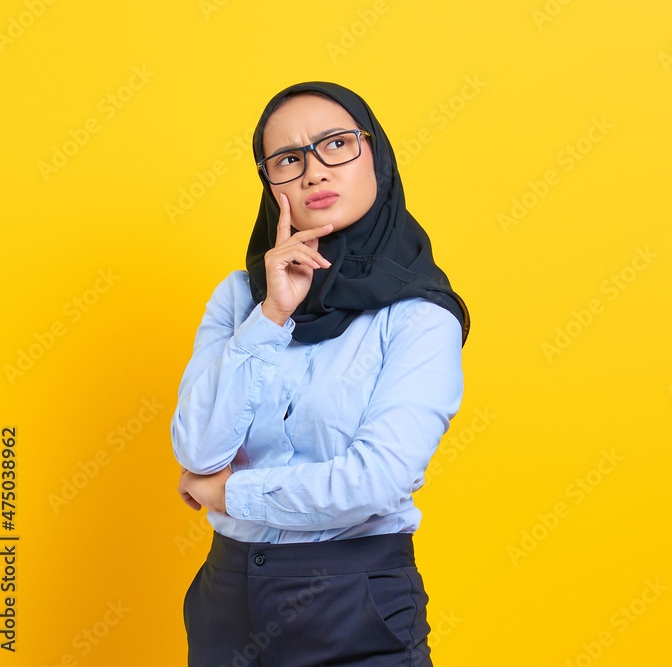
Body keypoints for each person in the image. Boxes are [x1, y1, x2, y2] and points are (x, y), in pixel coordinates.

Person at [171, 81, 470, 667]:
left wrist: (227, 494)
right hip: (224, 599)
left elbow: (375, 481)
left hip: (354, 605)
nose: (313, 173)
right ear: (269, 182)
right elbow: (198, 447)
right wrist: (272, 314)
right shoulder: (239, 299)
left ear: (375, 155)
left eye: (336, 144)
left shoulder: (420, 317)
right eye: (288, 159)